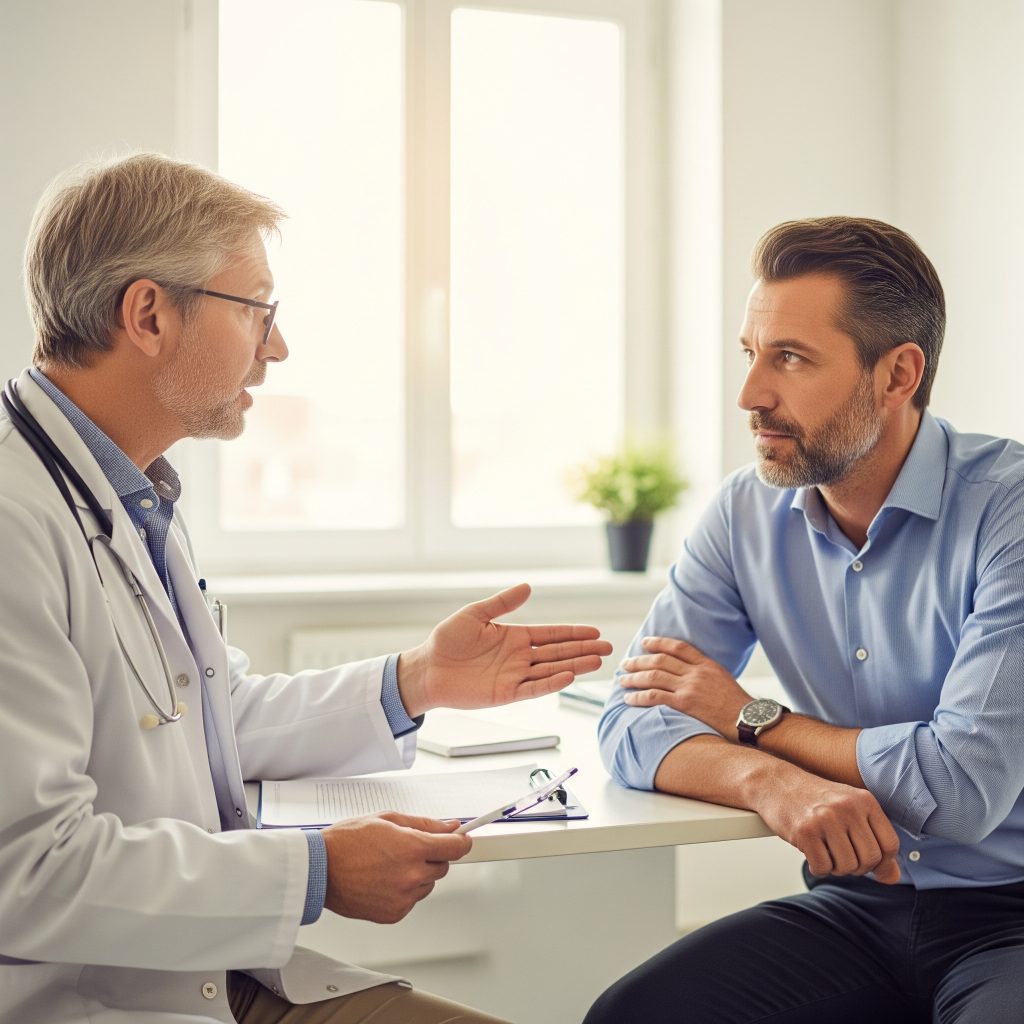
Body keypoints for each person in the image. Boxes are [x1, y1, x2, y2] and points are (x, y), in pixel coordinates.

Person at [0, 152, 613, 1024]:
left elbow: (214, 720)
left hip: (203, 972)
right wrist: (315, 872)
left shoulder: (132, 493)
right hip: (81, 996)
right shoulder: (15, 520)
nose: (276, 344)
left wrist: (418, 680)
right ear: (147, 315)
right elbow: (28, 873)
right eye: (256, 309)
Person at [585, 216, 1024, 1023]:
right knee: (633, 1016)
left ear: (897, 375)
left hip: (1011, 920)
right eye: (751, 355)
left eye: (790, 358)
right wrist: (768, 778)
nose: (751, 395)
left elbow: (961, 788)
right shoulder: (744, 513)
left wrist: (748, 717)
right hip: (856, 907)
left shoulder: (1009, 513)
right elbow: (629, 722)